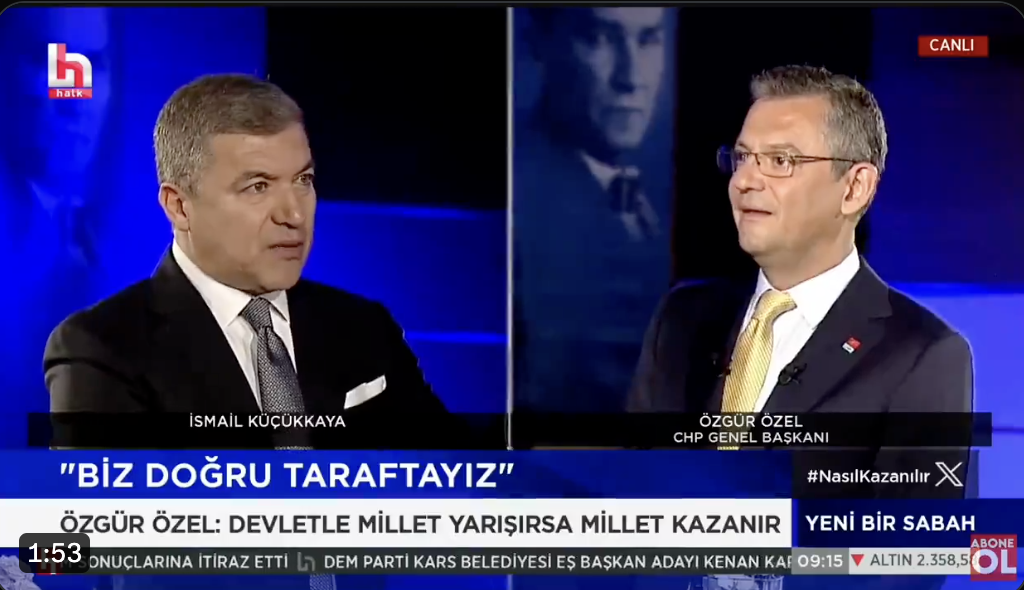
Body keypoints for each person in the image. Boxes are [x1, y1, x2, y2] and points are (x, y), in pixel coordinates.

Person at [43, 74, 463, 453]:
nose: (294, 215)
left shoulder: (364, 328)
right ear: (179, 207)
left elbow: (456, 475)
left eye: (303, 180)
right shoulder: (102, 351)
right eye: (258, 186)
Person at [628, 66, 973, 504]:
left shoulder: (922, 356)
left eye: (780, 161)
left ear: (855, 188)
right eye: (742, 158)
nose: (744, 181)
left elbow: (907, 544)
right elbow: (627, 494)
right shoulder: (681, 319)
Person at [513, 7, 674, 415]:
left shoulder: (641, 199)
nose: (631, 78)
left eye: (648, 40)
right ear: (539, 43)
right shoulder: (521, 202)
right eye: (600, 39)